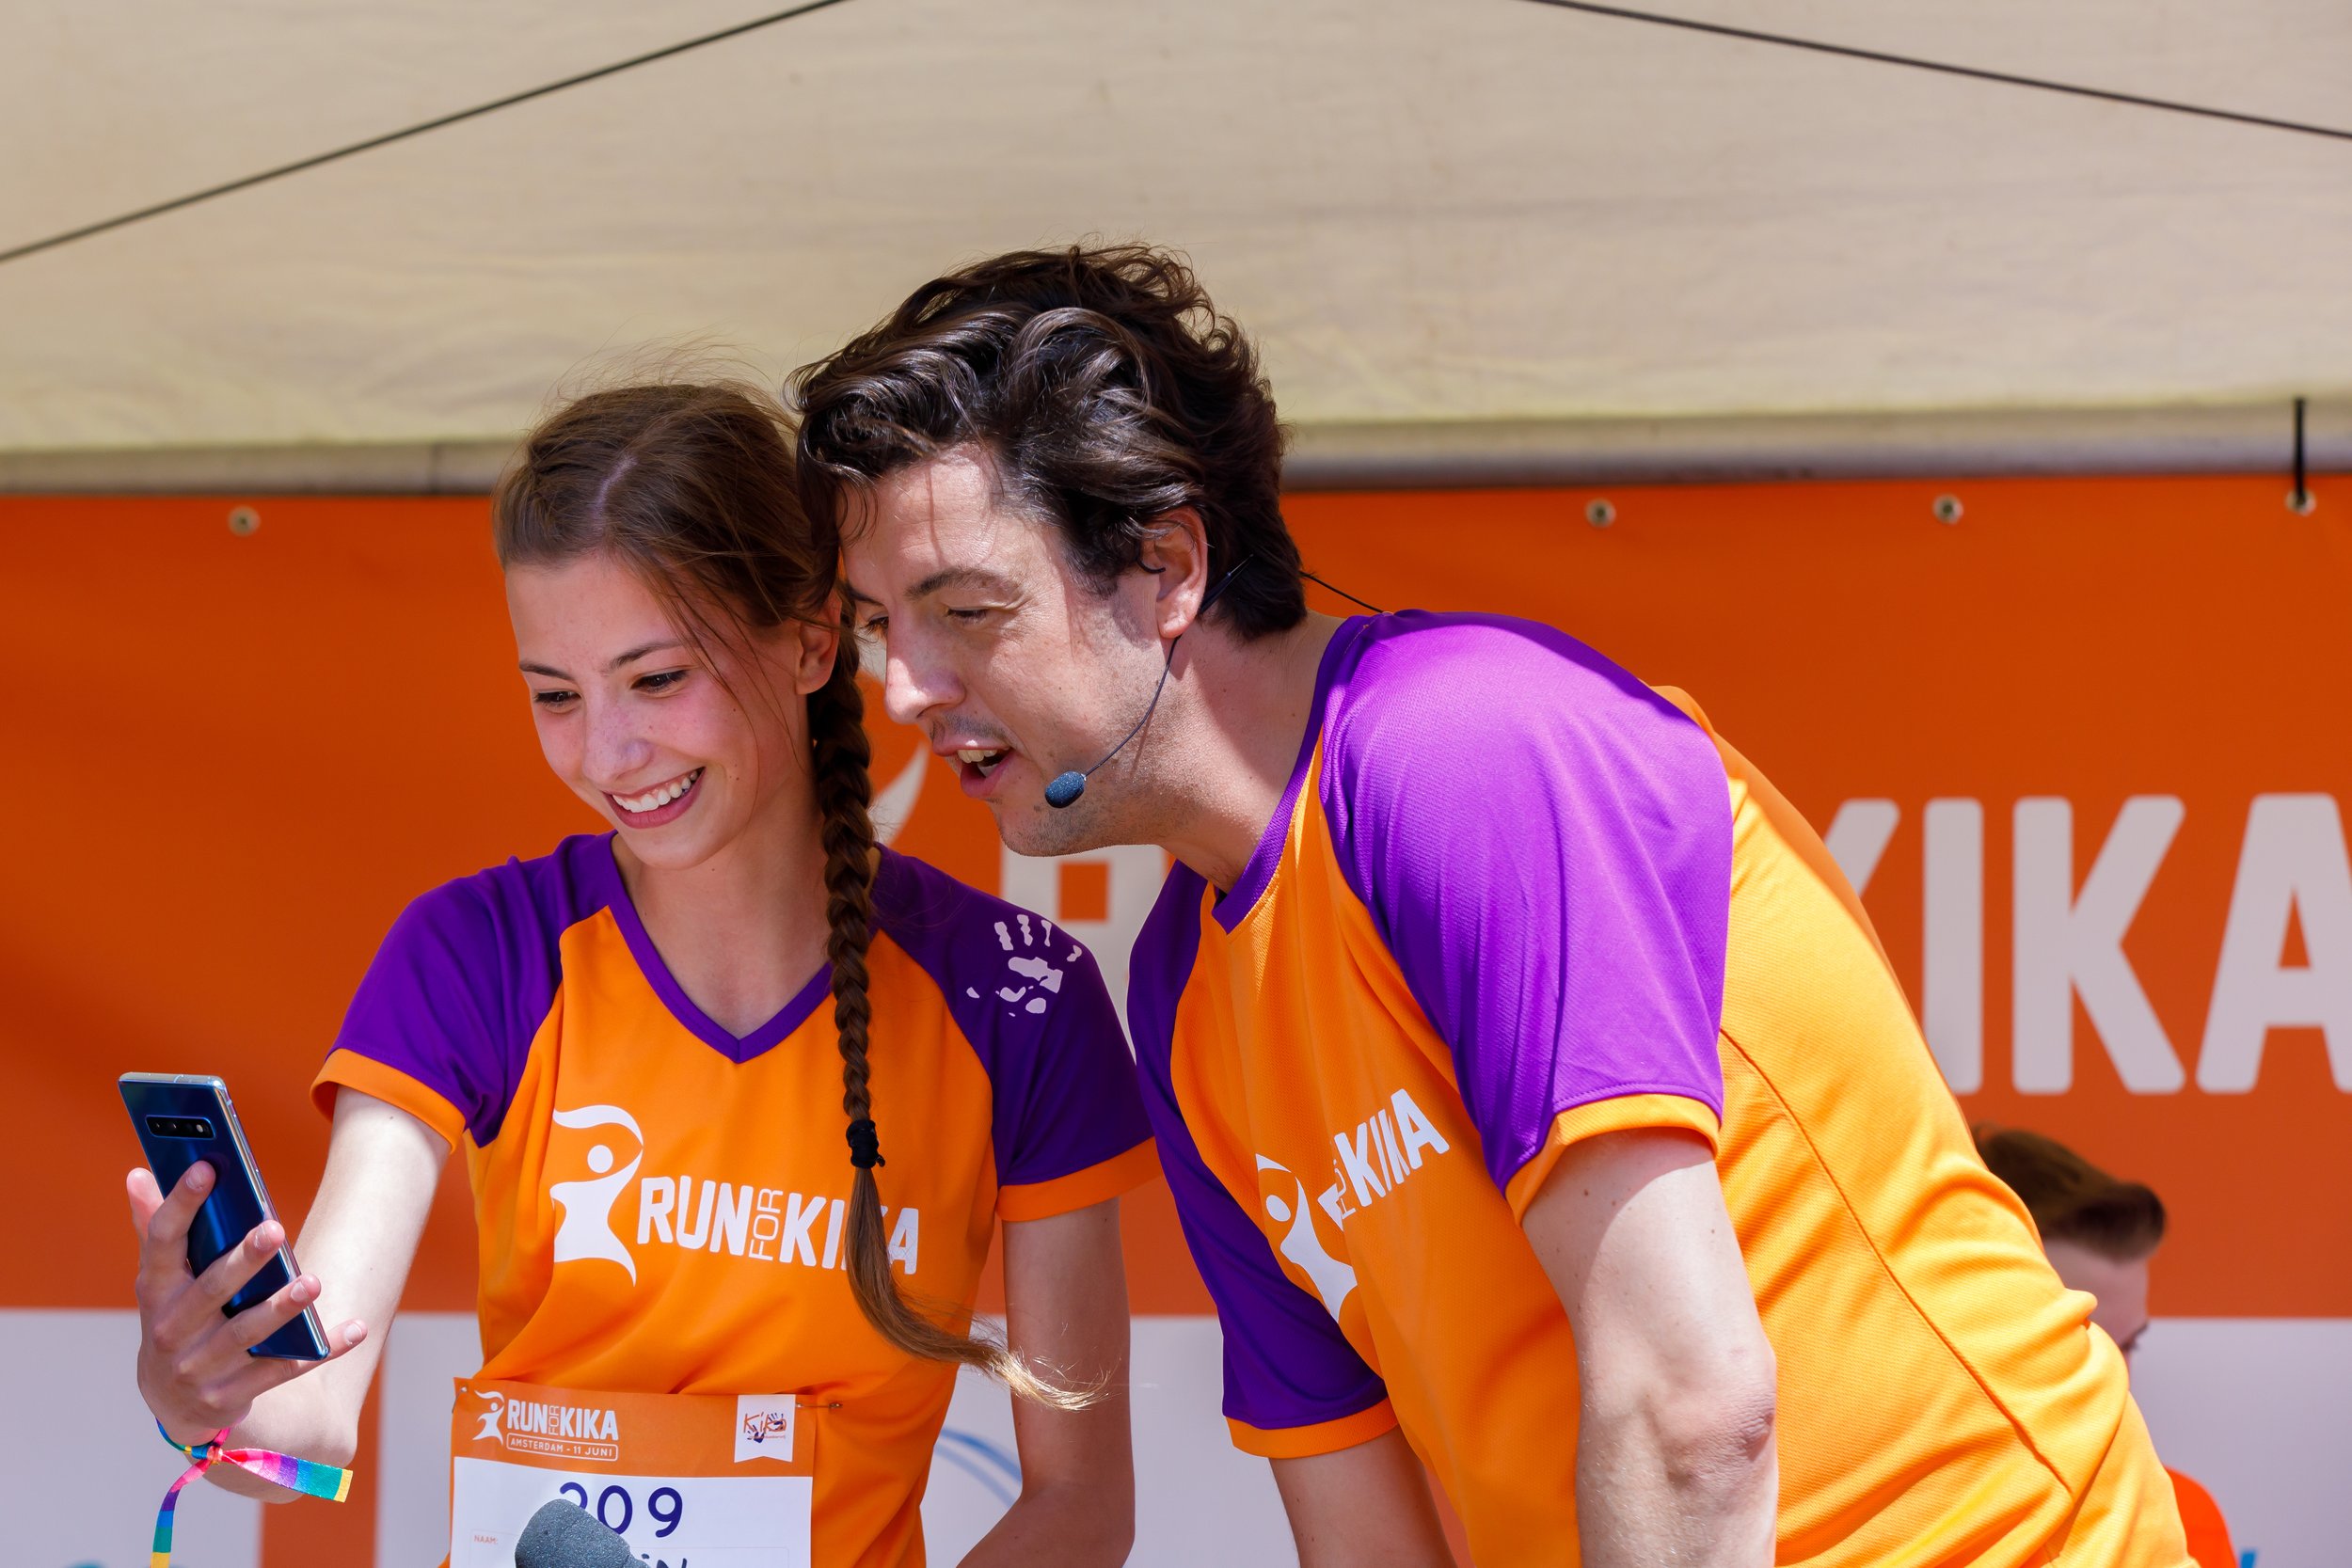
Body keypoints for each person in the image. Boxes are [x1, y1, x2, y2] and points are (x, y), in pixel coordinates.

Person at [793, 244, 2194, 1568]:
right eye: (880, 625)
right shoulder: (1181, 994)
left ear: (1167, 567)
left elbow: (1693, 1407)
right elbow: (1367, 1535)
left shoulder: (1460, 750)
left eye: (964, 611)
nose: (905, 686)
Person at [124, 381, 1155, 1567]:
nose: (608, 751)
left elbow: (1080, 1505)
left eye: (658, 678)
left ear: (813, 642)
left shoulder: (1016, 991)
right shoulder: (478, 947)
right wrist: (192, 1380)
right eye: (556, 695)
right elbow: (303, 1421)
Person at [1977, 1126, 2239, 1568]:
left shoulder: (2186, 1521)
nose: (2119, 1381)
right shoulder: (1869, 1533)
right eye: (2078, 1338)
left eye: (2129, 1345)